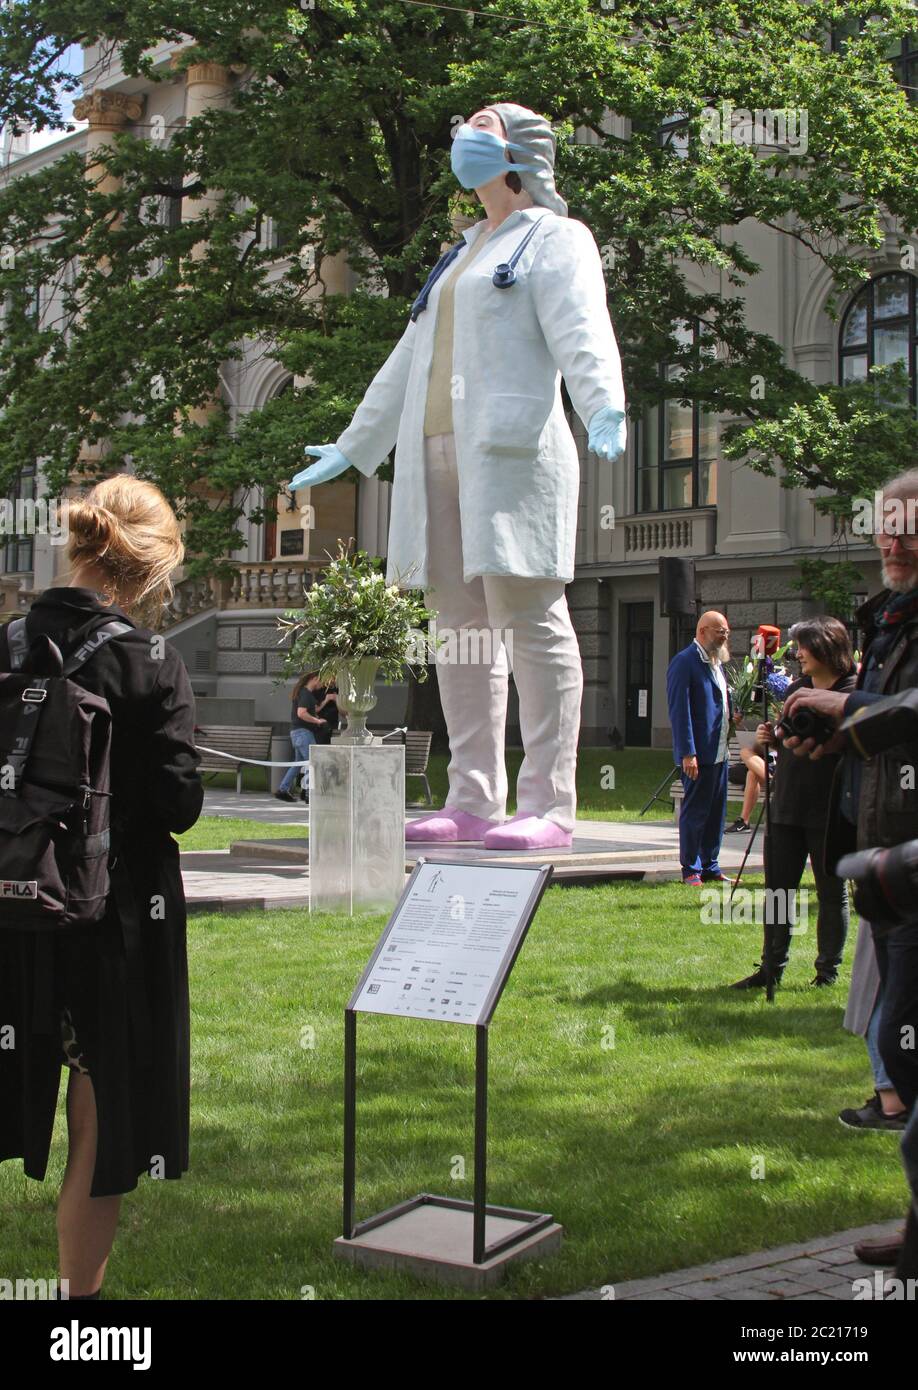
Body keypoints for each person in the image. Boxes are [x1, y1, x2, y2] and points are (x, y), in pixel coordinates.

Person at [288, 103, 626, 851]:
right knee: (458, 630)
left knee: (530, 618)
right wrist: (353, 445)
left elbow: (582, 327)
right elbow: (407, 362)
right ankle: (473, 796)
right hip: (436, 452)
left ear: (517, 151)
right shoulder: (459, 253)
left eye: (478, 125)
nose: (460, 140)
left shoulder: (557, 239)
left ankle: (550, 803)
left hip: (511, 453)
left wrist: (603, 404)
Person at [0, 475, 204, 1300]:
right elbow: (177, 805)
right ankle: (75, 1313)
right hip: (110, 918)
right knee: (99, 1110)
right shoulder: (149, 659)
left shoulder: (8, 640)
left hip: (6, 902)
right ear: (149, 567)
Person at [781, 466, 918, 1279]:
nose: (896, 540)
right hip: (889, 859)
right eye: (889, 525)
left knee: (902, 1038)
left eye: (912, 528)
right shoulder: (888, 617)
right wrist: (834, 733)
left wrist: (849, 709)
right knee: (899, 1042)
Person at [730, 617, 856, 991]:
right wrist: (771, 736)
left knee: (831, 892)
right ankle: (771, 968)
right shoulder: (798, 688)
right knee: (779, 892)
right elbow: (785, 740)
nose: (797, 653)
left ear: (826, 648)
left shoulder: (853, 692)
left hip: (831, 808)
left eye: (804, 646)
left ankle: (826, 973)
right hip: (787, 804)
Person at [666, 611, 734, 886]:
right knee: (695, 813)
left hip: (720, 752)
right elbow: (679, 710)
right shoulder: (685, 662)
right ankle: (691, 869)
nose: (725, 636)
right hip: (699, 754)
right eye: (721, 631)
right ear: (703, 631)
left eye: (726, 632)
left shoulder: (717, 662)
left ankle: (710, 865)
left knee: (716, 812)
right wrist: (687, 752)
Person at [275, 671, 327, 803]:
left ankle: (282, 790)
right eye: (322, 681)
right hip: (304, 733)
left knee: (298, 764)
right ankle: (310, 795)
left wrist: (315, 717)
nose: (323, 685)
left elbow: (304, 713)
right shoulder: (305, 694)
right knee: (313, 763)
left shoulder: (303, 693)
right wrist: (317, 721)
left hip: (297, 733)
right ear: (315, 679)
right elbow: (301, 713)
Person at [725, 743, 774, 833]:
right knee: (747, 757)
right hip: (764, 765)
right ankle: (771, 780)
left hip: (781, 766)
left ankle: (744, 821)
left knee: (751, 771)